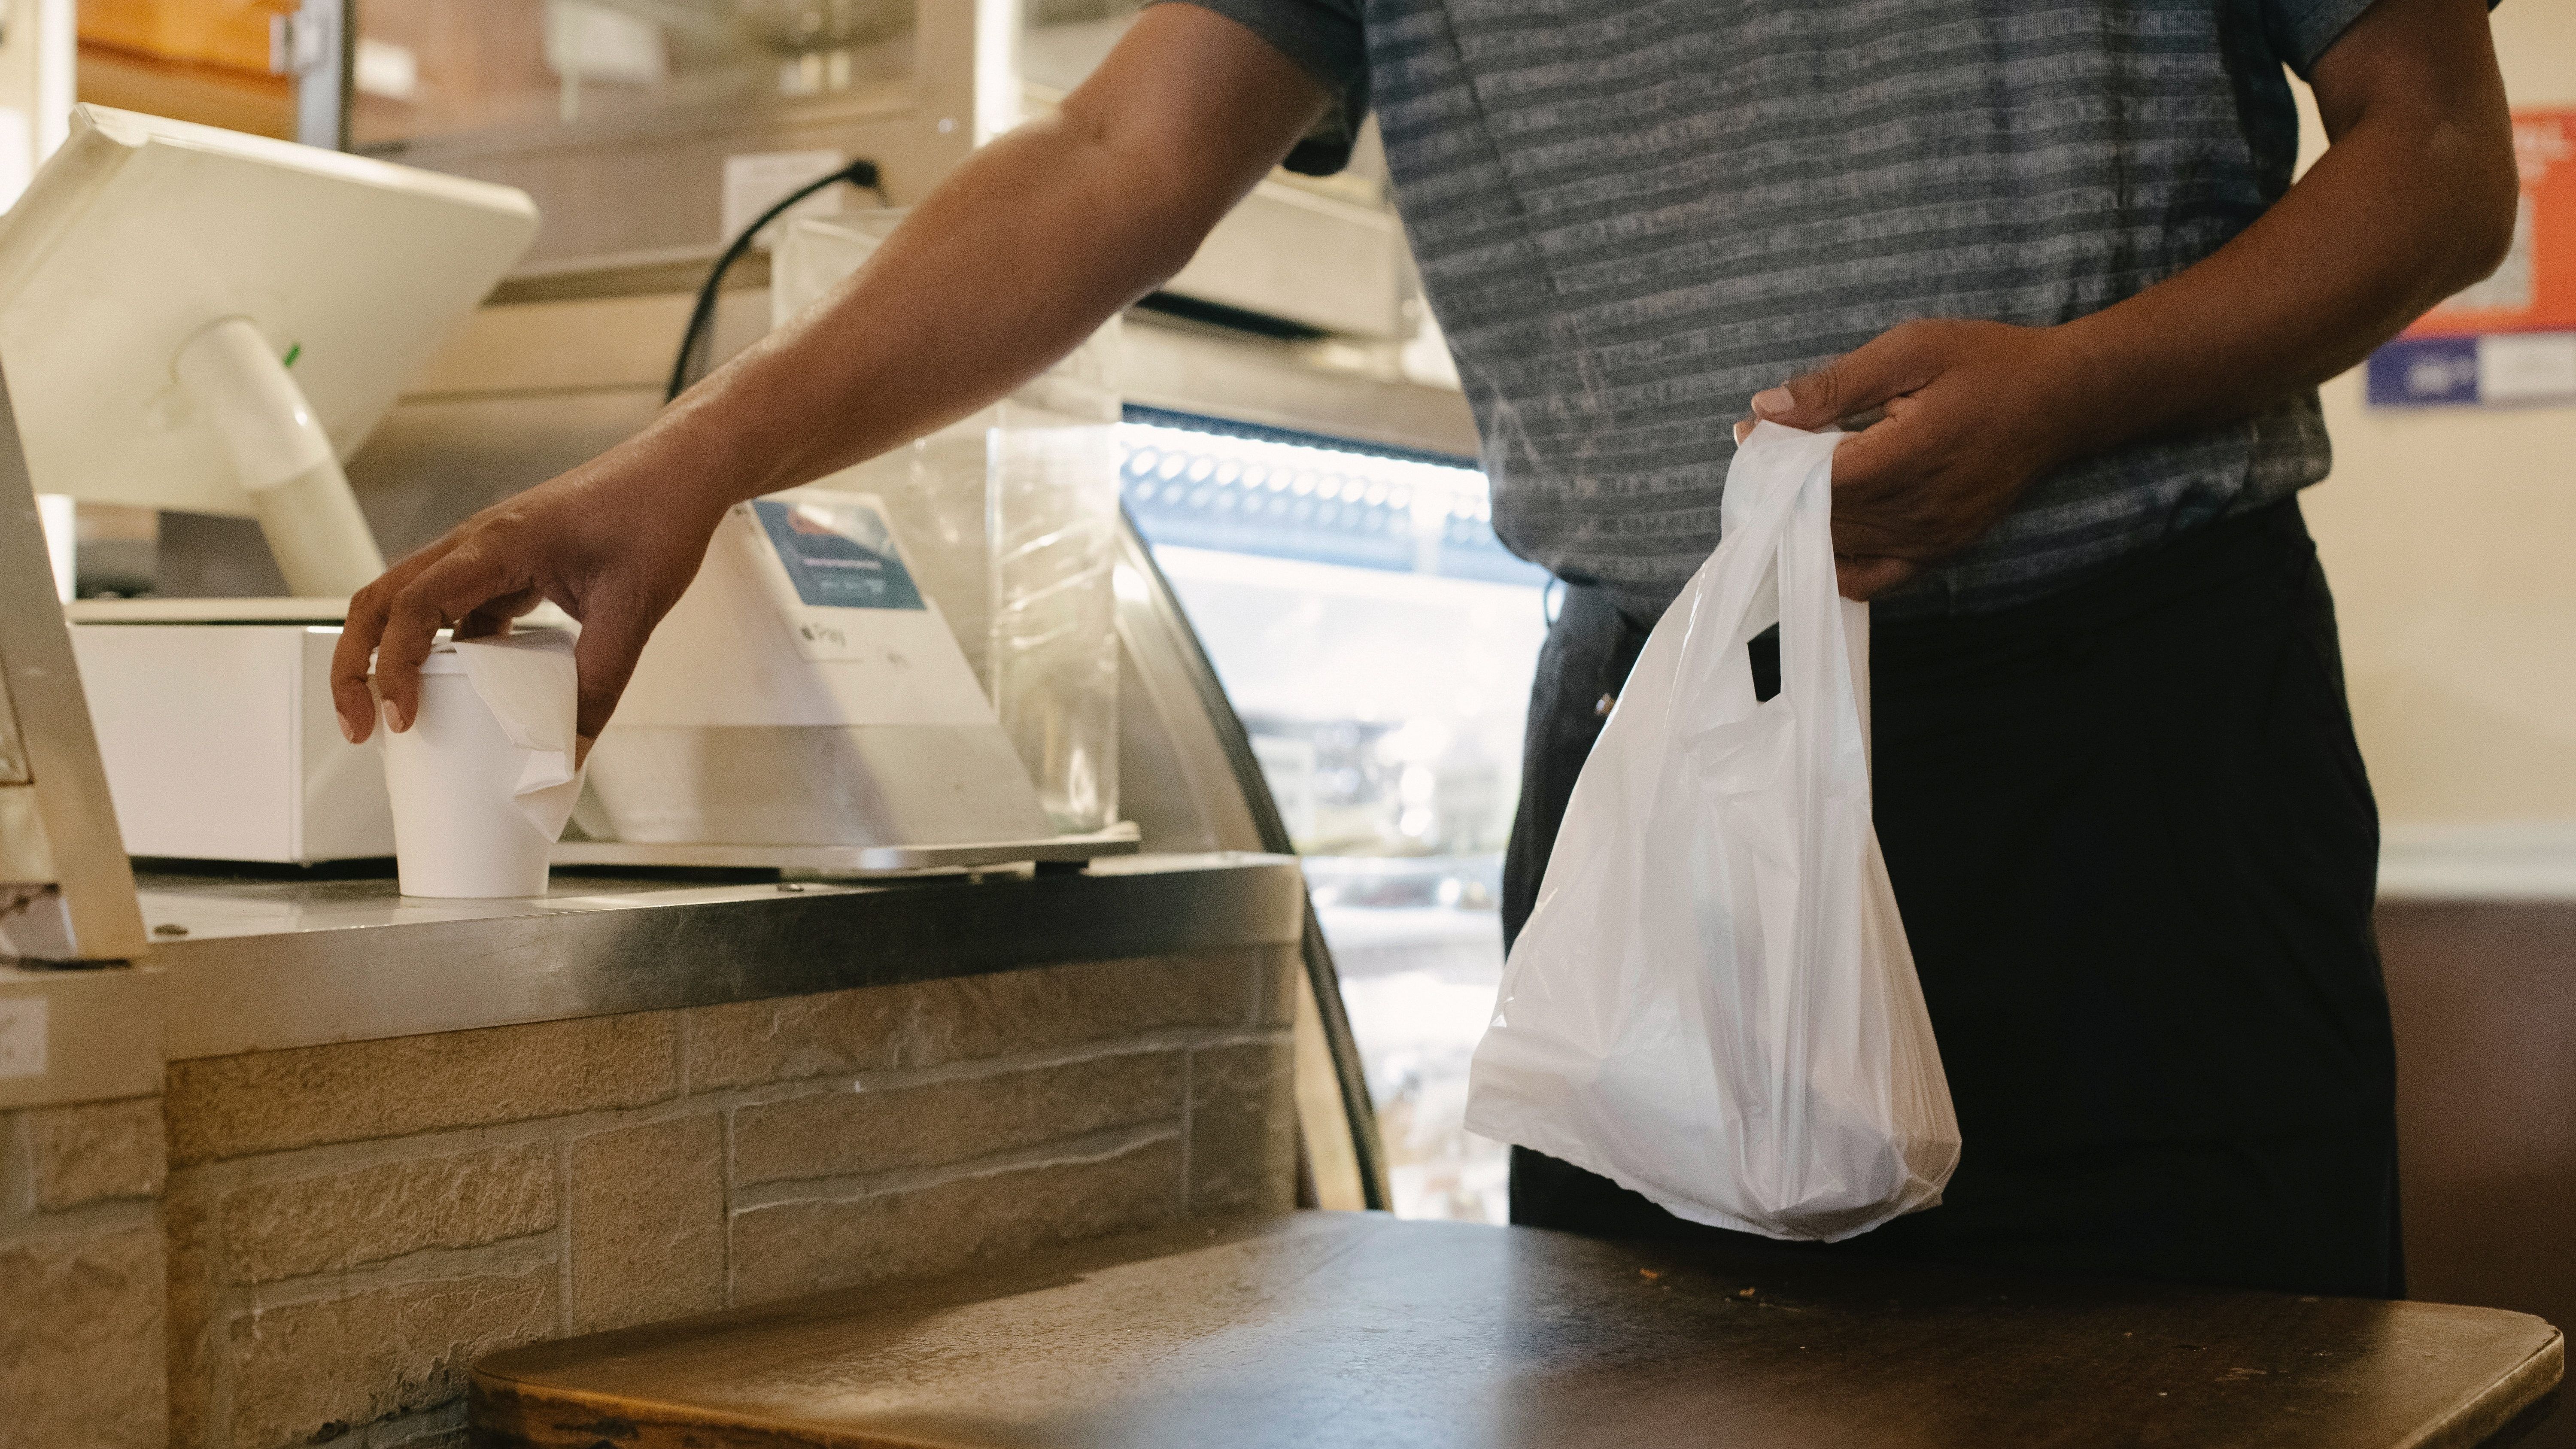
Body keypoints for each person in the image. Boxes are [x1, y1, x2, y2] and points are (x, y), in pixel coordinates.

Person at [332, 0, 2515, 1297]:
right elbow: (1118, 150)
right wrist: (685, 467)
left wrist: (2079, 387)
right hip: (1663, 774)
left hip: (2126, 757)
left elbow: (2434, 157)